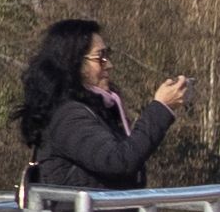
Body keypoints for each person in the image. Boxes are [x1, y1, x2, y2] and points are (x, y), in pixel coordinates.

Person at [14, 16, 190, 200]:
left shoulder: (97, 111)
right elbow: (118, 161)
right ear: (74, 63)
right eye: (101, 58)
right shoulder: (68, 118)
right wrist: (160, 109)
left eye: (108, 55)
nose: (109, 65)